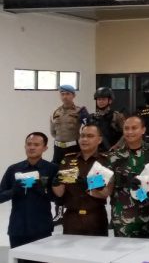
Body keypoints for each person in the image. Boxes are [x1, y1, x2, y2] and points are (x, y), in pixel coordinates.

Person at [0, 132, 58, 261]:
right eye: (29, 144)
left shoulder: (52, 169)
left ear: (45, 148)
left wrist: (42, 189)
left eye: (36, 144)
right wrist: (14, 191)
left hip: (42, 228)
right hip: (18, 228)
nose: (32, 147)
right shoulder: (13, 169)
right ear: (25, 146)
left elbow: (58, 198)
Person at [107, 116, 149, 238]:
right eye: (126, 128)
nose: (130, 132)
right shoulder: (114, 156)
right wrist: (92, 184)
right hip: (123, 220)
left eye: (134, 128)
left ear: (143, 130)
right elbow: (105, 186)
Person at [52, 124, 111, 236]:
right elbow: (60, 193)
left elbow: (106, 193)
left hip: (96, 217)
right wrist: (55, 184)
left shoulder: (106, 161)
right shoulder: (68, 159)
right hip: (72, 218)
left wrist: (89, 183)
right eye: (82, 136)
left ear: (99, 140)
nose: (84, 139)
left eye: (90, 136)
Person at [49, 84, 89, 224]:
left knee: (71, 180)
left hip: (72, 149)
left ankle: (74, 210)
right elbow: (53, 132)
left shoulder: (79, 111)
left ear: (73, 95)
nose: (65, 96)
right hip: (58, 150)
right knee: (57, 180)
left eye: (68, 94)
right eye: (62, 93)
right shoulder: (55, 112)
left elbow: (87, 127)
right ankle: (59, 213)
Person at [90, 87, 124, 151]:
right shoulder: (93, 117)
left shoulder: (116, 116)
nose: (101, 102)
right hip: (96, 151)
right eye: (99, 99)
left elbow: (126, 134)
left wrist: (117, 146)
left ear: (110, 101)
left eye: (103, 99)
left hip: (113, 151)